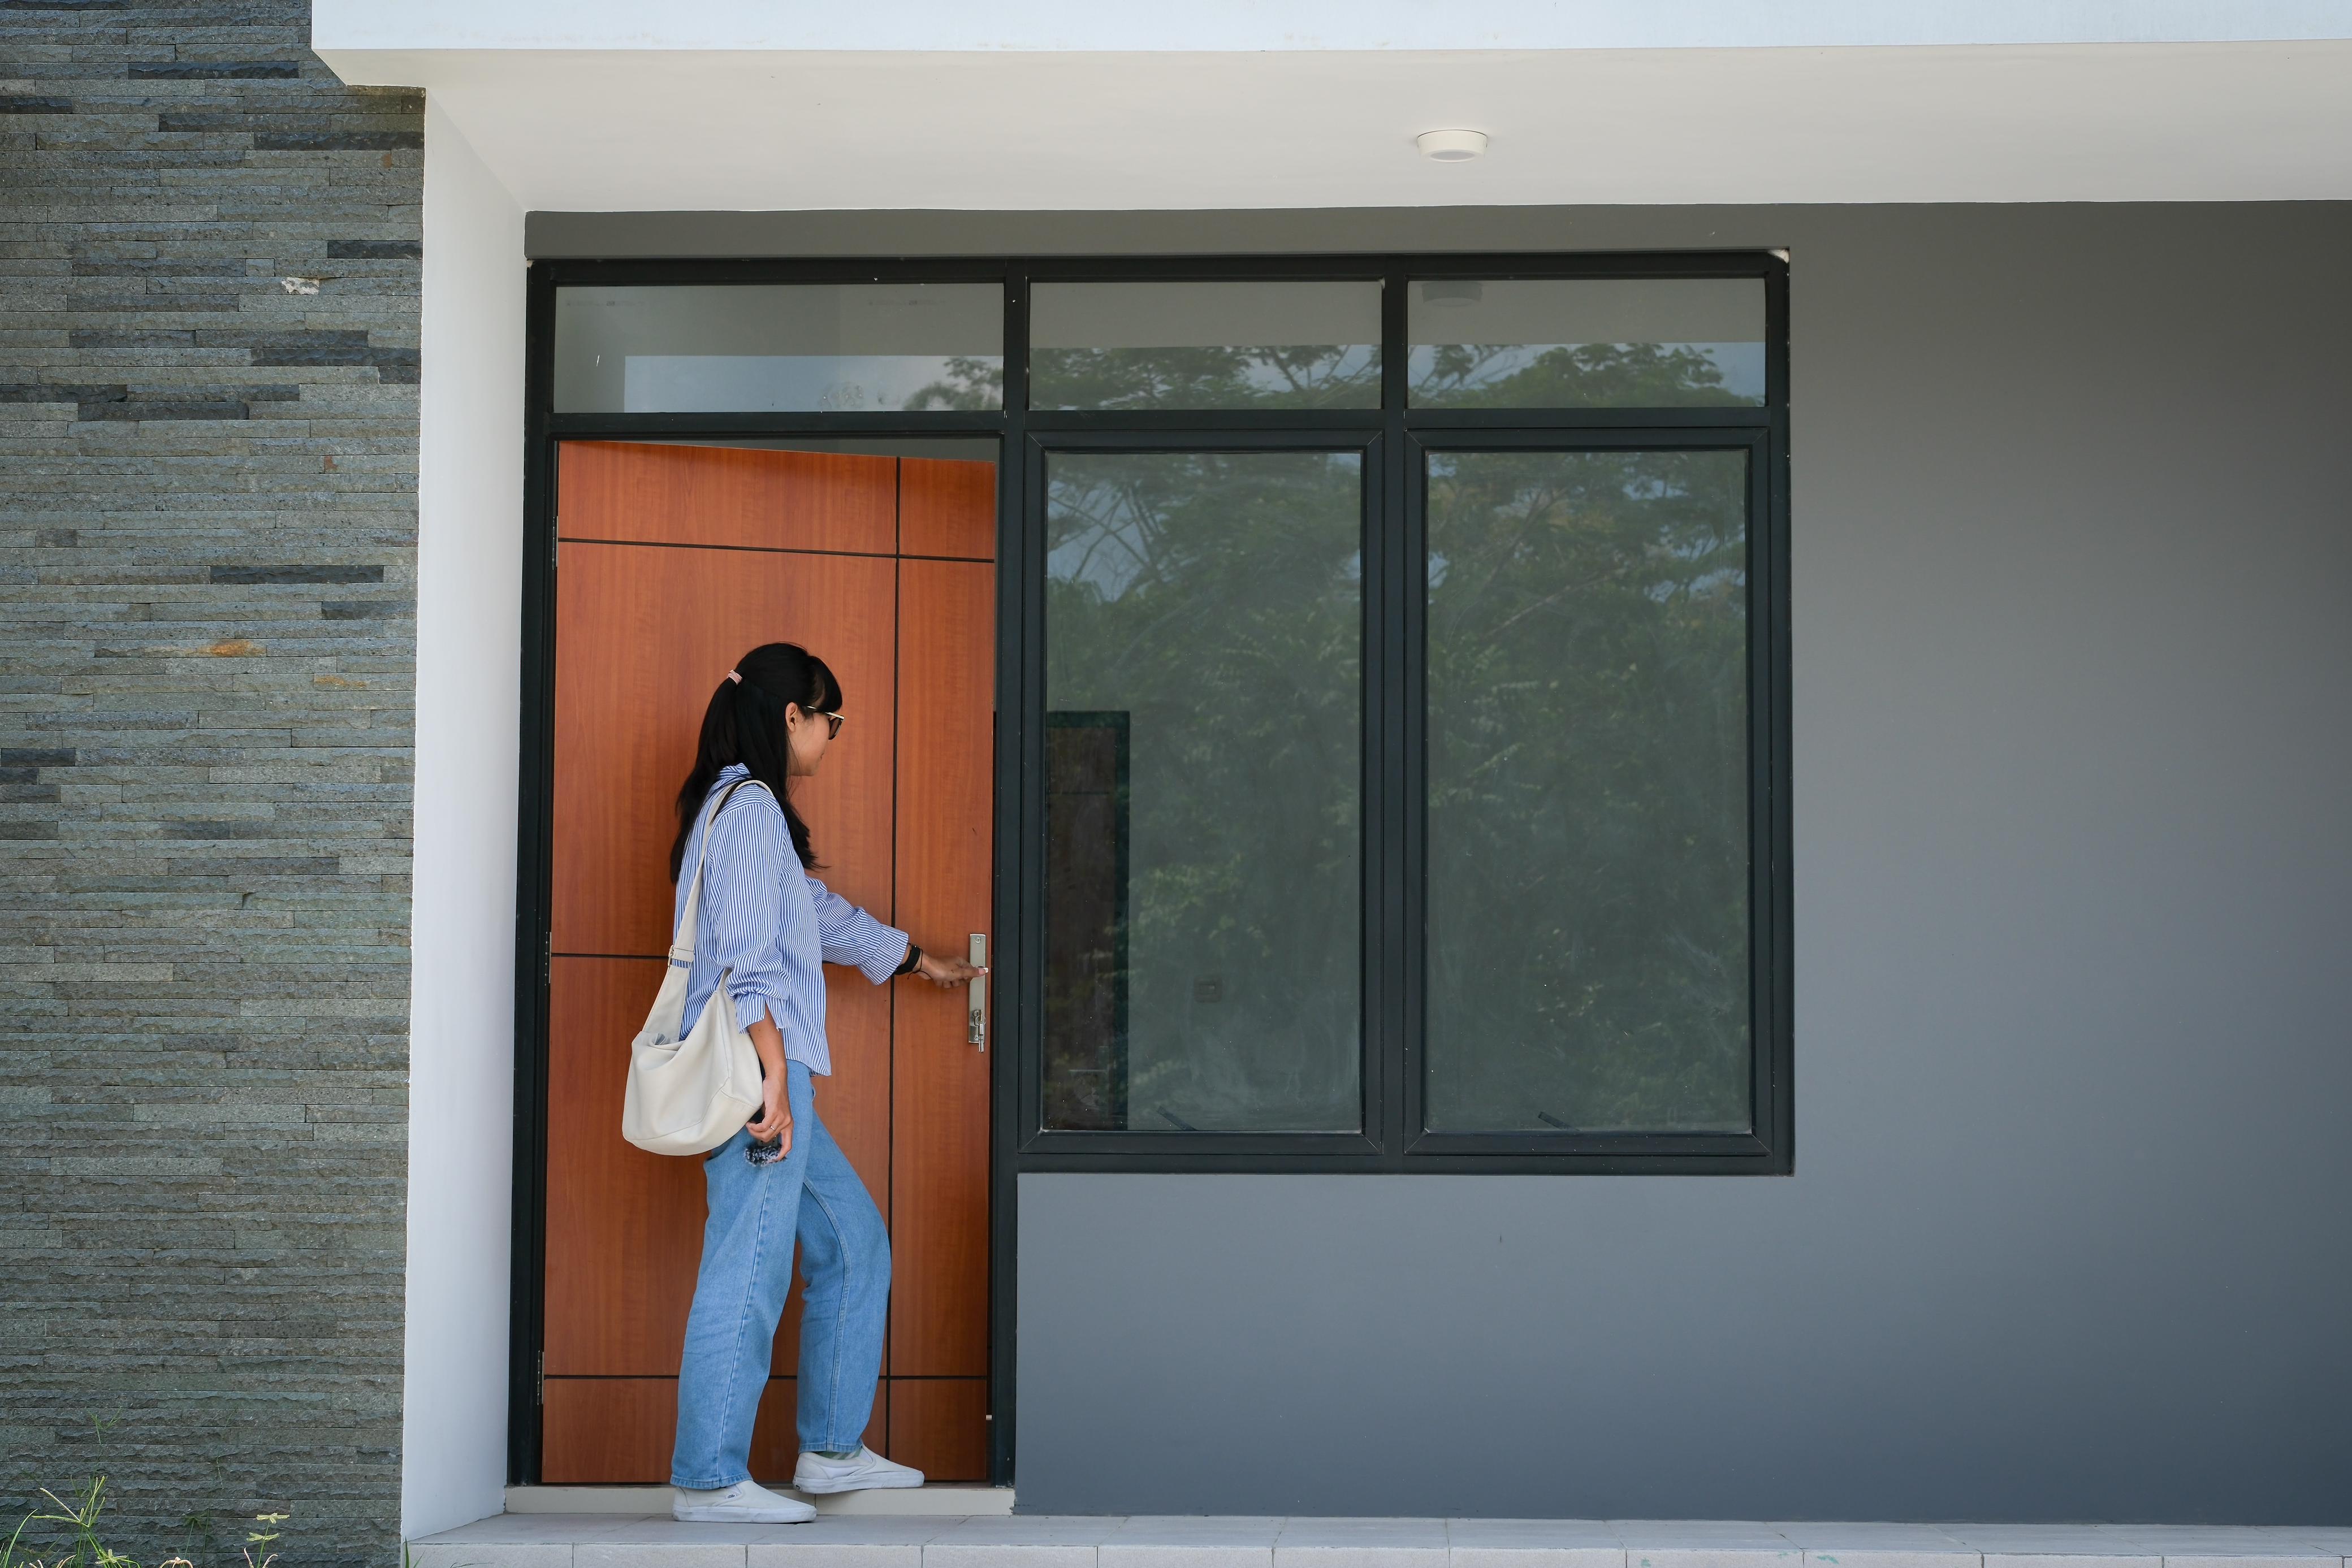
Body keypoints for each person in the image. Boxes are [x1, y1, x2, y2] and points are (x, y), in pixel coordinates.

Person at [663, 642, 984, 1525]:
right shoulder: (749, 807)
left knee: (853, 1242)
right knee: (749, 1265)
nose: (834, 736)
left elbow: (811, 914)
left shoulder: (746, 810)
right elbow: (745, 957)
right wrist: (773, 1073)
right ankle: (707, 1479)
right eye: (831, 719)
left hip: (776, 1072)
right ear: (792, 716)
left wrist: (915, 958)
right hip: (759, 1072)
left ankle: (832, 1450)